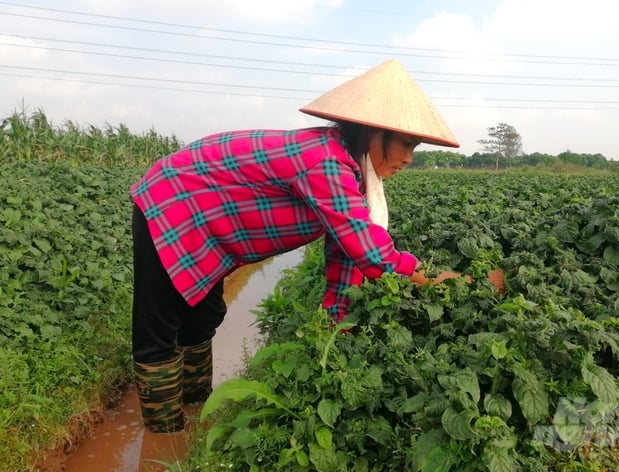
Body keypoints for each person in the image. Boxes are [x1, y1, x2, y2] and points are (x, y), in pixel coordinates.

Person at [129, 59, 503, 433]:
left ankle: (196, 407)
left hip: (213, 221)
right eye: (405, 144)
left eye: (414, 146)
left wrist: (334, 333)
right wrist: (449, 280)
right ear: (372, 132)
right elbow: (376, 257)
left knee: (204, 315)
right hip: (173, 199)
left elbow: (349, 257)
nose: (408, 158)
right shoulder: (326, 162)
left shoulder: (352, 177)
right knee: (159, 322)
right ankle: (166, 433)